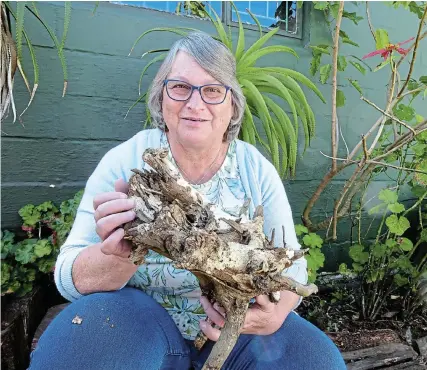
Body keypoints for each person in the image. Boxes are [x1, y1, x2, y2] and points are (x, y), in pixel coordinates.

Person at [29, 31, 346, 370]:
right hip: (137, 323)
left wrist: (273, 314)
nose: (195, 104)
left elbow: (293, 267)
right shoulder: (128, 161)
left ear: (232, 106)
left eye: (212, 90)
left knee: (313, 361)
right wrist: (116, 258)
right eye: (180, 87)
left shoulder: (254, 169)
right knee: (83, 347)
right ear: (161, 99)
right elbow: (67, 277)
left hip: (237, 331)